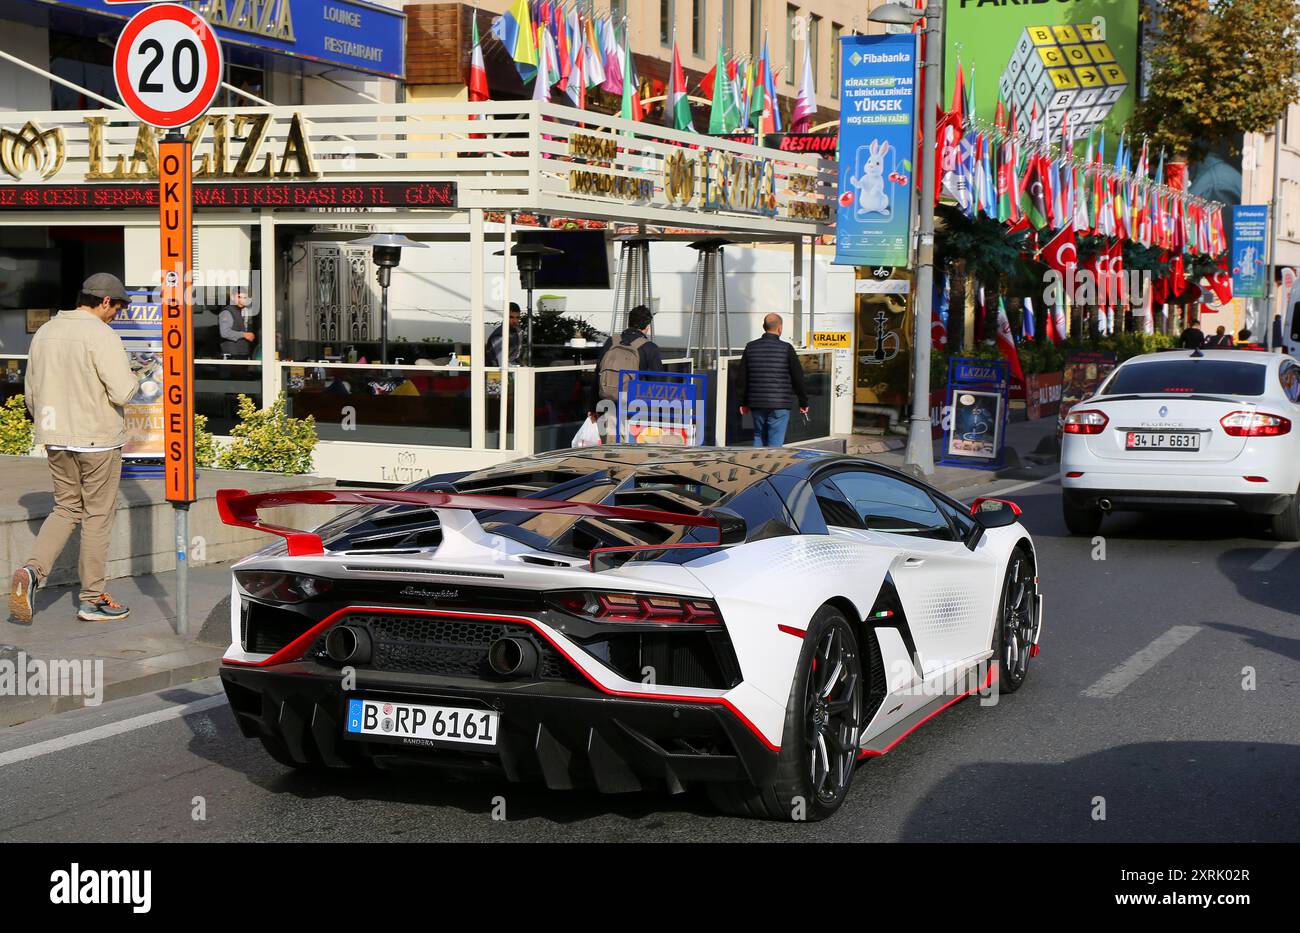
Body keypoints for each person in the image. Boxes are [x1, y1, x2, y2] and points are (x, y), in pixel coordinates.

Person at [10, 274, 137, 624]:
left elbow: (31, 393)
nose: (117, 315)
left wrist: (50, 426)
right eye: (118, 308)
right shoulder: (102, 335)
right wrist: (139, 373)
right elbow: (123, 392)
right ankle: (92, 599)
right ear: (105, 302)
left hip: (56, 436)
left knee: (65, 508)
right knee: (97, 516)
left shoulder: (46, 331)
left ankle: (32, 570)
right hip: (97, 440)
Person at [588, 304, 663, 440]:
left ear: (629, 322)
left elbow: (597, 374)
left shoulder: (611, 342)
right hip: (637, 411)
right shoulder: (650, 348)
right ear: (647, 327)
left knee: (610, 453)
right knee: (635, 455)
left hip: (607, 407)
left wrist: (593, 407)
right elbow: (657, 384)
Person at [738, 312, 809, 448]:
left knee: (758, 435)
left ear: (763, 326)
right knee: (775, 442)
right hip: (780, 404)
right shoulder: (786, 348)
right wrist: (803, 402)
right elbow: (798, 377)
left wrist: (743, 402)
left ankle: (756, 466)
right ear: (780, 328)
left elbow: (742, 377)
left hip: (757, 403)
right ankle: (772, 468)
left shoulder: (750, 347)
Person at [218, 289, 256, 359]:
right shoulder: (227, 312)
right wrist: (244, 335)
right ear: (232, 297)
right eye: (239, 297)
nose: (242, 300)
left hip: (243, 354)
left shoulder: (244, 312)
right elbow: (224, 333)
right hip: (232, 356)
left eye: (244, 297)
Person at [486, 302, 522, 367]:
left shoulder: (517, 331)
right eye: (511, 317)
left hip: (510, 369)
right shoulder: (499, 335)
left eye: (517, 317)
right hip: (496, 372)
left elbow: (516, 355)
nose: (515, 320)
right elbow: (502, 362)